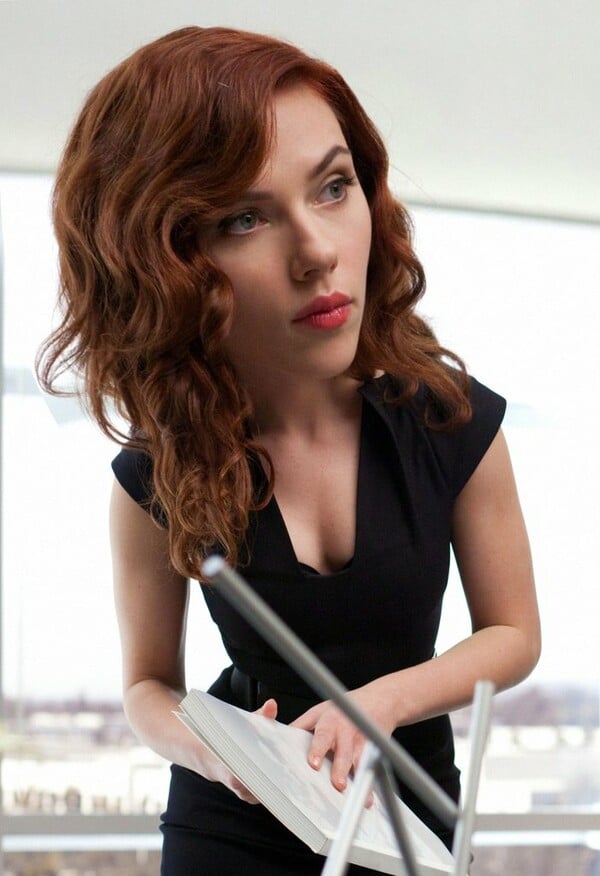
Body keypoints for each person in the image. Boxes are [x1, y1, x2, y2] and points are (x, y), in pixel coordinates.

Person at [37, 25, 541, 875]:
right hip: (233, 816)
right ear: (164, 259)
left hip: (406, 813)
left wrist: (376, 706)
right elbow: (147, 686)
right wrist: (210, 751)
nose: (317, 251)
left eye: (333, 187)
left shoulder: (450, 422)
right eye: (244, 218)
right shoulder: (157, 472)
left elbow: (514, 634)